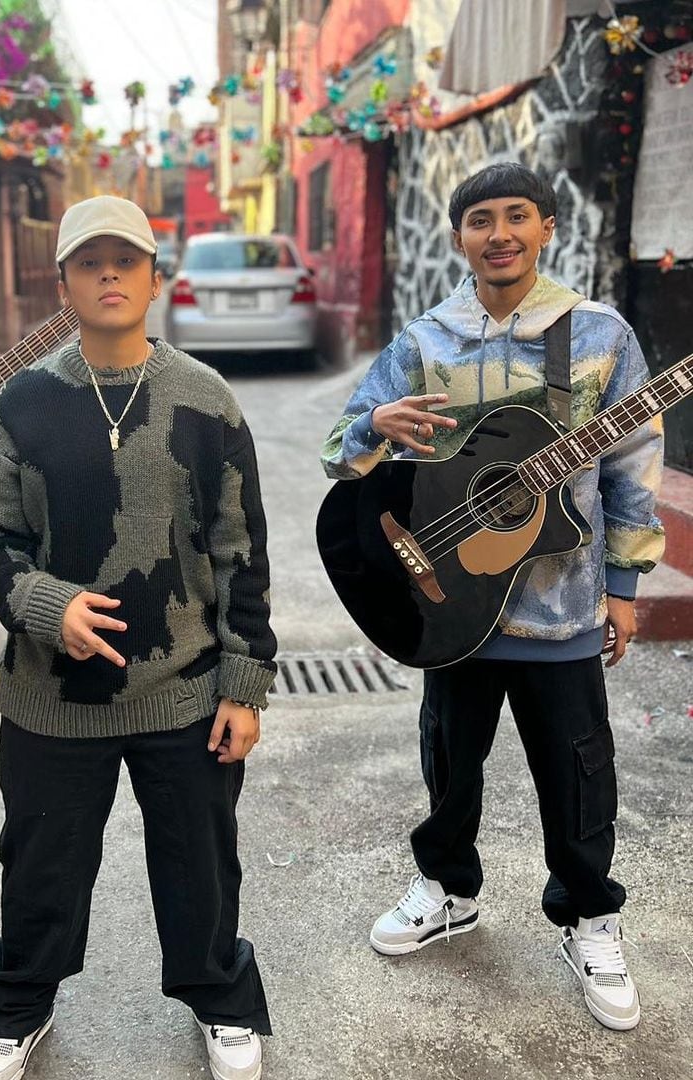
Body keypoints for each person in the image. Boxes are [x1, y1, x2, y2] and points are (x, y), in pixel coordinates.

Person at [320, 162, 663, 1032]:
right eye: (480, 219)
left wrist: (623, 587)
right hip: (448, 605)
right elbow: (341, 445)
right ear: (459, 236)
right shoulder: (428, 339)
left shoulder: (598, 335)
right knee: (448, 762)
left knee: (580, 774)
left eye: (517, 216)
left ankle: (589, 915)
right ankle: (446, 888)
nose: (499, 233)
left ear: (547, 226)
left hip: (564, 609)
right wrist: (374, 427)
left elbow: (631, 467)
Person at [0, 195, 277, 1080]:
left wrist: (244, 686)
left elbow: (240, 550)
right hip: (49, 698)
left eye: (126, 259)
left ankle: (221, 1002)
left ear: (153, 276)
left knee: (202, 867)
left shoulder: (205, 399)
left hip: (183, 688)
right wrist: (42, 605)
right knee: (39, 868)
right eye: (90, 260)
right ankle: (15, 1008)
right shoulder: (21, 403)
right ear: (62, 280)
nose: (109, 273)